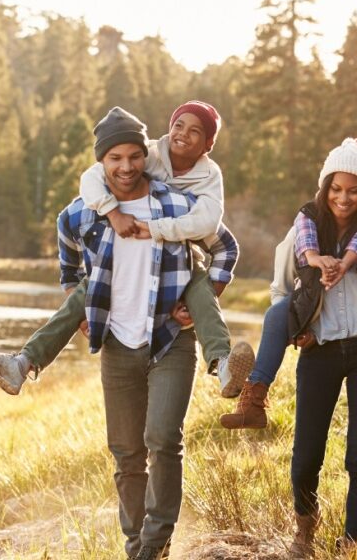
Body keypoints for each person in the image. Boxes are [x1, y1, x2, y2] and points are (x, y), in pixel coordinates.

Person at [43, 108, 239, 560]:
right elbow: (67, 255)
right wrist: (79, 301)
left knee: (163, 439)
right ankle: (137, 547)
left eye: (134, 156)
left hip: (170, 338)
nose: (127, 166)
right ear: (102, 162)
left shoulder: (174, 202)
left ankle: (154, 545)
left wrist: (204, 294)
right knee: (127, 454)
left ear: (143, 157)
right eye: (115, 158)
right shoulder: (84, 211)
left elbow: (224, 244)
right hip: (116, 343)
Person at [0, 103, 251, 399]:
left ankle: (223, 364)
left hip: (181, 259)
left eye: (195, 131)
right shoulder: (147, 153)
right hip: (122, 262)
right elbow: (92, 178)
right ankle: (21, 364)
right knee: (87, 290)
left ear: (209, 144)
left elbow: (213, 227)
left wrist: (201, 298)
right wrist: (112, 213)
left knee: (200, 288)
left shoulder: (208, 177)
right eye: (179, 125)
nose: (183, 134)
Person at [242, 139, 357, 555]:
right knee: (306, 454)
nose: (343, 198)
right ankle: (305, 529)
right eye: (335, 189)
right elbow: (279, 291)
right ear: (325, 187)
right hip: (319, 352)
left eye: (355, 190)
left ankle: (353, 543)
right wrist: (296, 330)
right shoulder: (304, 232)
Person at [220, 135, 357, 429]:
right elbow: (292, 258)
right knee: (276, 314)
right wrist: (311, 267)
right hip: (321, 320)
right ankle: (254, 397)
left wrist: (344, 263)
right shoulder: (312, 215)